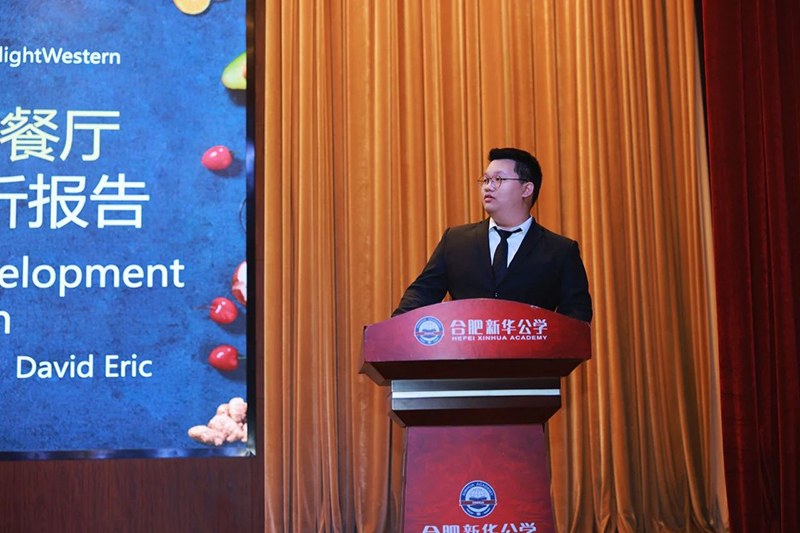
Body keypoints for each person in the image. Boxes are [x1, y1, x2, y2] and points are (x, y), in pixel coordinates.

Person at [392, 147, 592, 322]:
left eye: (498, 179)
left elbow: (576, 313)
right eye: (486, 180)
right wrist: (395, 330)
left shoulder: (561, 251)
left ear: (527, 189)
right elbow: (422, 293)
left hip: (531, 353)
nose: (488, 186)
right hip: (466, 351)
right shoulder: (456, 241)